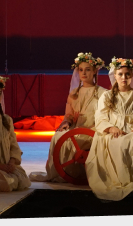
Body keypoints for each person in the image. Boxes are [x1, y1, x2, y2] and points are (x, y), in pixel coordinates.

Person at [85, 57, 133, 201]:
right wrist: (111, 128)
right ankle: (120, 177)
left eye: (127, 74)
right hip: (115, 132)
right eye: (120, 74)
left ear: (132, 76)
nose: (124, 78)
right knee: (118, 142)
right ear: (115, 76)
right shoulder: (107, 95)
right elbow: (100, 118)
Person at [30, 53, 107, 183]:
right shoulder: (74, 93)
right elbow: (69, 115)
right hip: (75, 129)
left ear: (95, 71)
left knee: (69, 139)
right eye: (81, 70)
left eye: (88, 69)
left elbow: (104, 116)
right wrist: (66, 122)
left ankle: (74, 172)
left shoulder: (102, 93)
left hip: (92, 130)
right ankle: (60, 171)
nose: (84, 73)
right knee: (58, 136)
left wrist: (89, 128)